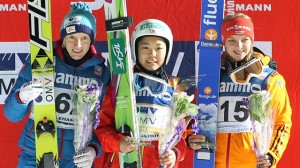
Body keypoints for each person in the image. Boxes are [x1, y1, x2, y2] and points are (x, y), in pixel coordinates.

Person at [3, 2, 110, 167]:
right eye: (72, 37)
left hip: (76, 160)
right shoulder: (42, 61)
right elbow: (11, 114)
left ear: (91, 41)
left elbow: (105, 123)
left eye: (84, 38)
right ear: (63, 38)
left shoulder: (101, 73)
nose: (78, 45)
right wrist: (20, 98)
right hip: (36, 153)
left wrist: (94, 149)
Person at [186, 13, 292, 168]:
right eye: (231, 40)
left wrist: (271, 154)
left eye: (244, 39)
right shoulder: (211, 75)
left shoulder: (269, 78)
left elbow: (282, 122)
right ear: (223, 42)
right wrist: (191, 136)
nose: (239, 46)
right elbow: (193, 113)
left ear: (252, 40)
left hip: (253, 163)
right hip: (214, 163)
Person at [96, 19, 187, 168]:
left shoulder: (173, 89)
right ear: (135, 50)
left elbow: (181, 135)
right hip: (124, 161)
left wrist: (175, 153)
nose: (152, 54)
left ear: (167, 51)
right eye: (145, 48)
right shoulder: (121, 84)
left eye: (158, 48)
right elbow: (102, 127)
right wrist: (118, 143)